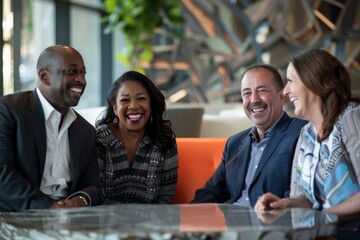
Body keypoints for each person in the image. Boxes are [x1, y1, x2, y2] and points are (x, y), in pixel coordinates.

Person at [255, 49, 360, 223]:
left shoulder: (351, 117)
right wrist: (284, 203)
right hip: (320, 231)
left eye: (290, 81)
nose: (286, 91)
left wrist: (323, 218)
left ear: (313, 80)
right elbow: (306, 200)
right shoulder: (306, 134)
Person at [0, 45, 102, 212]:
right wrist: (49, 206)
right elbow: (2, 175)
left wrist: (80, 201)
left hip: (70, 217)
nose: (81, 80)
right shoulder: (8, 111)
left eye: (83, 73)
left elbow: (92, 186)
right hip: (16, 216)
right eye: (71, 72)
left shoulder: (86, 130)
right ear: (44, 76)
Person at [191, 64, 307, 207]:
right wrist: (183, 219)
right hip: (232, 223)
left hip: (272, 223)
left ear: (281, 97)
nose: (254, 99)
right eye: (247, 93)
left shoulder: (302, 133)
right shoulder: (234, 143)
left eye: (262, 90)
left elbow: (303, 195)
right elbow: (212, 192)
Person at [96, 70, 178, 204]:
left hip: (152, 222)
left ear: (151, 105)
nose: (133, 106)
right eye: (125, 100)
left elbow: (166, 199)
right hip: (107, 222)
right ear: (115, 108)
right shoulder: (100, 140)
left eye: (141, 98)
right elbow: (96, 196)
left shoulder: (164, 140)